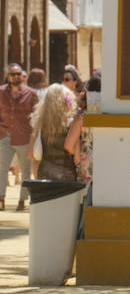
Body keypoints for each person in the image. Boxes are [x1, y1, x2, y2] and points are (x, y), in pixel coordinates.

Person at [0, 62, 39, 211]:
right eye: (12, 74)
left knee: (25, 170)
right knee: (1, 168)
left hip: (24, 137)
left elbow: (37, 116)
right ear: (8, 76)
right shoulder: (1, 92)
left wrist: (34, 137)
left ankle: (22, 200)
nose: (15, 77)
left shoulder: (31, 93)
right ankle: (1, 198)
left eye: (18, 74)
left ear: (22, 76)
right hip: (4, 135)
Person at [30, 84, 81, 181]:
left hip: (44, 172)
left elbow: (32, 155)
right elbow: (76, 156)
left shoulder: (40, 123)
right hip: (66, 174)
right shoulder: (71, 123)